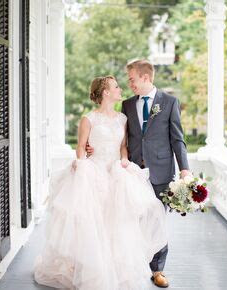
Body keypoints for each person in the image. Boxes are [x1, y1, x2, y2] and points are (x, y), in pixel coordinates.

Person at [34, 75, 167, 290]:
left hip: (116, 170)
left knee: (117, 220)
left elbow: (123, 146)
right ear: (106, 92)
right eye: (116, 87)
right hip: (94, 170)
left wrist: (124, 159)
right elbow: (81, 145)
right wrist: (81, 162)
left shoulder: (122, 119)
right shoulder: (89, 118)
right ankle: (89, 268)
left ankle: (115, 268)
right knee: (93, 220)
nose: (119, 89)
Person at [87, 60, 191, 288]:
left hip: (161, 173)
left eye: (132, 79)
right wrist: (92, 145)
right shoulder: (126, 105)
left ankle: (158, 271)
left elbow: (177, 139)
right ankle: (132, 265)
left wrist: (184, 169)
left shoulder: (170, 102)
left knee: (158, 220)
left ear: (145, 77)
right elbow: (121, 139)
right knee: (129, 221)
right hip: (132, 172)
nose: (129, 83)